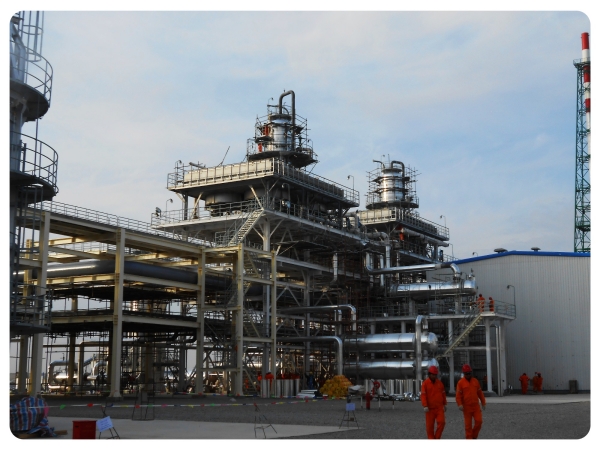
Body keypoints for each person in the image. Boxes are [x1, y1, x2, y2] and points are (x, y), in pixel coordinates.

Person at [456, 364, 486, 439]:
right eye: (466, 373)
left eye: (469, 373)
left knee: (479, 421)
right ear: (464, 374)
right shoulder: (460, 383)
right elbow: (458, 395)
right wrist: (459, 404)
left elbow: (480, 393)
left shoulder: (475, 381)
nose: (468, 375)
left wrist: (483, 402)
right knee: (468, 426)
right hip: (466, 407)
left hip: (476, 406)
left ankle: (473, 436)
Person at [420, 366, 447, 439]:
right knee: (430, 427)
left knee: (442, 422)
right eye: (432, 374)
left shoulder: (440, 384)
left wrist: (444, 404)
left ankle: (436, 438)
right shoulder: (425, 384)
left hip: (439, 408)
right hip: (429, 409)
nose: (434, 376)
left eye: (435, 374)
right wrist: (425, 405)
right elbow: (423, 395)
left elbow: (443, 394)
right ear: (429, 374)